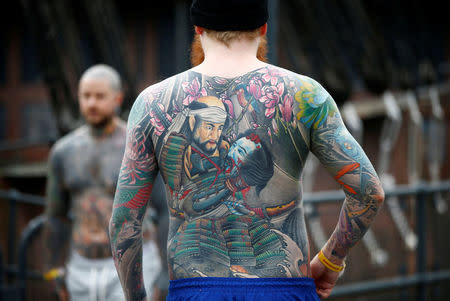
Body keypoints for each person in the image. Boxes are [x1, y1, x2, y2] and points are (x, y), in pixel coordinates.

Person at [109, 0, 385, 300]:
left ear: (198, 29)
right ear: (263, 29)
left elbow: (124, 222)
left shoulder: (151, 102)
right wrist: (330, 261)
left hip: (197, 289)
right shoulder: (307, 95)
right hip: (283, 289)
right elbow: (368, 193)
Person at [43, 64, 161, 301]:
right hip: (81, 265)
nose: (92, 103)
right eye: (86, 96)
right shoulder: (63, 152)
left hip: (134, 261)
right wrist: (55, 272)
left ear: (117, 98)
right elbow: (55, 217)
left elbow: (165, 210)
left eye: (99, 96)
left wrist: (164, 275)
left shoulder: (137, 145)